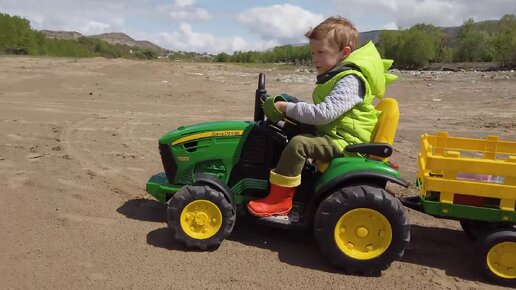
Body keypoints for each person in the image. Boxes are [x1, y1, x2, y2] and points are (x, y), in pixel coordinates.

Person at [247, 16, 398, 217]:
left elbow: (324, 113)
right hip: (338, 133)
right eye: (312, 53)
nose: (315, 58)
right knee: (290, 129)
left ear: (344, 53)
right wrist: (291, 107)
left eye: (321, 52)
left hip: (347, 141)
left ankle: (280, 200)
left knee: (298, 144)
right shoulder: (340, 76)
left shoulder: (350, 80)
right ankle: (291, 181)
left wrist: (287, 107)